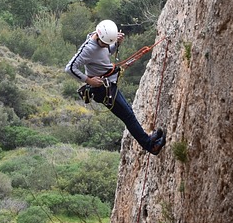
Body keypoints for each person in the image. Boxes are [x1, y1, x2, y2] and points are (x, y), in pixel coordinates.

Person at [66, 19, 166, 155]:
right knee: (128, 116)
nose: (107, 45)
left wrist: (116, 44)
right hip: (101, 89)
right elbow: (70, 68)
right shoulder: (88, 48)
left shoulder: (102, 40)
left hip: (109, 83)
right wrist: (89, 80)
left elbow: (106, 53)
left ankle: (147, 138)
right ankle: (150, 146)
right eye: (106, 43)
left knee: (128, 113)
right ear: (99, 37)